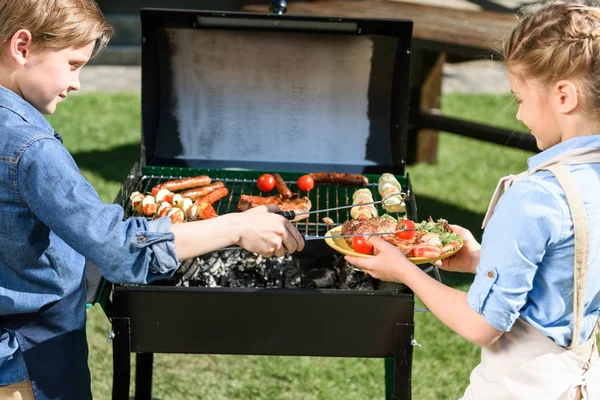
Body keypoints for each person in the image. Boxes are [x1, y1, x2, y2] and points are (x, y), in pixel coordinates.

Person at [0, 1, 305, 399]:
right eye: (73, 64)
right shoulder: (32, 149)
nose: (77, 83)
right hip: (29, 363)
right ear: (22, 47)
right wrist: (238, 226)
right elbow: (120, 248)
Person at [347, 1, 600, 398]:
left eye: (519, 98)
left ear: (564, 96)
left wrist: (405, 271)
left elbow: (481, 325)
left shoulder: (534, 196)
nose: (519, 115)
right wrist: (482, 260)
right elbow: (572, 273)